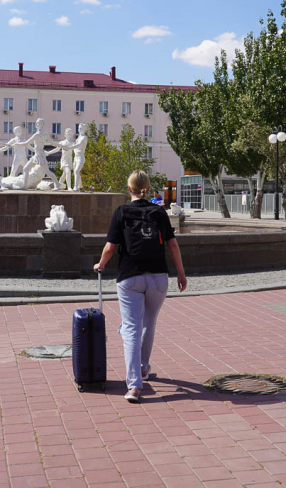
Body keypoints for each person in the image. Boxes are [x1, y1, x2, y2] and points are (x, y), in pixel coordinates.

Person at [93, 170, 187, 403]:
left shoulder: (122, 212)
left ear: (129, 189)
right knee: (149, 322)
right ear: (147, 188)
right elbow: (173, 245)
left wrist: (100, 264)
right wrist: (181, 274)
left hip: (130, 277)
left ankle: (134, 385)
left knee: (132, 328)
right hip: (158, 277)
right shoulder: (159, 211)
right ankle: (143, 367)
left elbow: (110, 248)